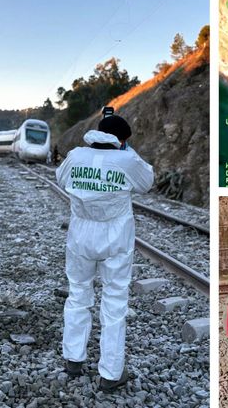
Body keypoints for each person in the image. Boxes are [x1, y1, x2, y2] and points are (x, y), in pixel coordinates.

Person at [56, 112, 154, 392]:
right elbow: (147, 183)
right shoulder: (127, 159)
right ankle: (110, 373)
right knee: (114, 303)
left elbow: (61, 179)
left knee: (78, 294)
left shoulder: (76, 156)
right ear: (121, 140)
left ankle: (73, 359)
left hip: (80, 236)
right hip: (115, 239)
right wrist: (127, 152)